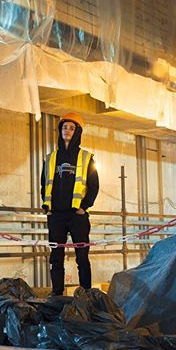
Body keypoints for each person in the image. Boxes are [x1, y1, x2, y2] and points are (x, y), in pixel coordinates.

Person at [41, 112, 99, 296]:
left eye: (72, 128)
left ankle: (86, 294)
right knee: (55, 258)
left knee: (82, 257)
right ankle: (57, 293)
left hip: (77, 215)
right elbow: (44, 183)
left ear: (77, 132)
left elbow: (94, 185)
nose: (67, 131)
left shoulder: (86, 157)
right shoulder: (50, 158)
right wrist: (47, 208)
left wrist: (85, 207)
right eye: (65, 127)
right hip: (56, 215)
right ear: (60, 130)